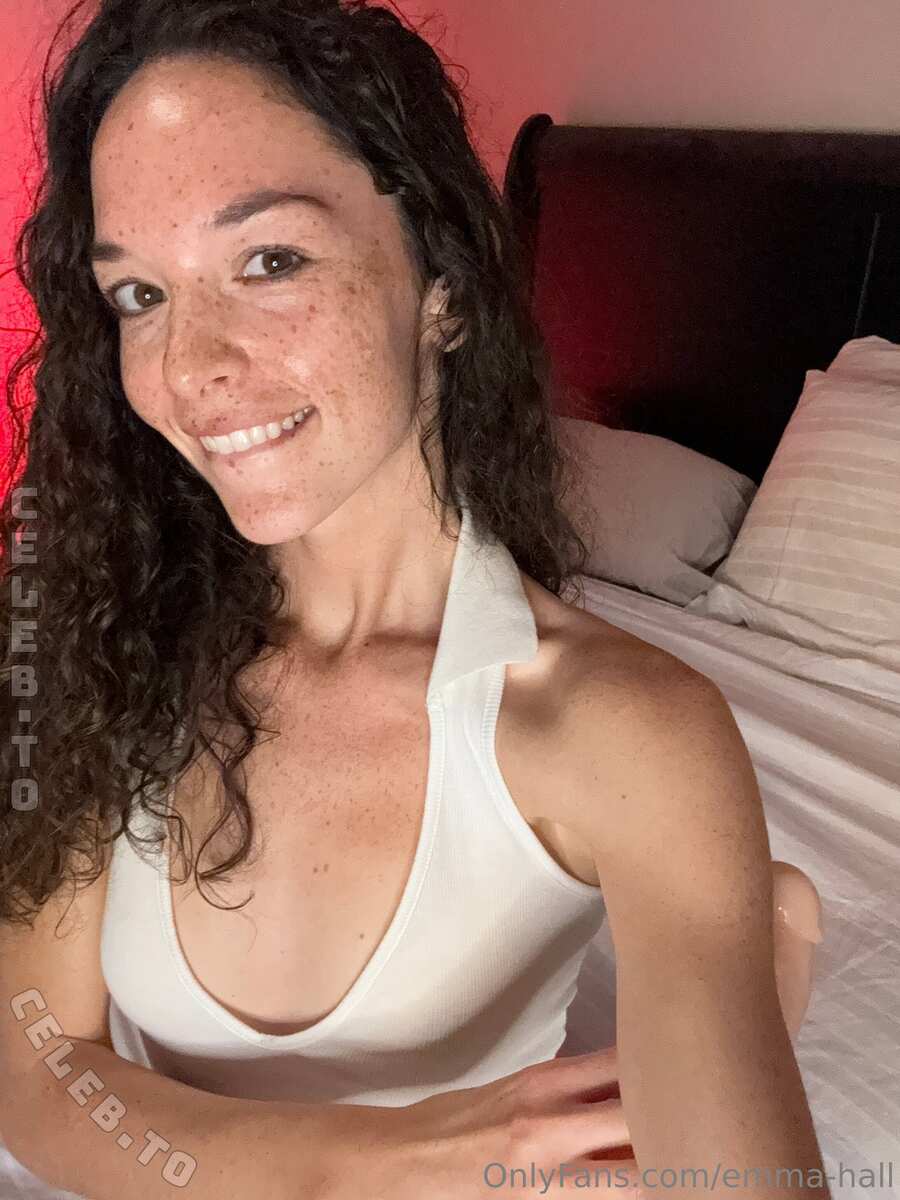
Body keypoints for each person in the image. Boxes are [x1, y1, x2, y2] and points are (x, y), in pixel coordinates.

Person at [0, 2, 828, 1198]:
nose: (190, 369)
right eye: (140, 295)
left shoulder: (626, 729)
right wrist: (392, 1156)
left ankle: (771, 954)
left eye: (270, 260)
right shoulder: (102, 634)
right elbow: (36, 1070)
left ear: (441, 284)